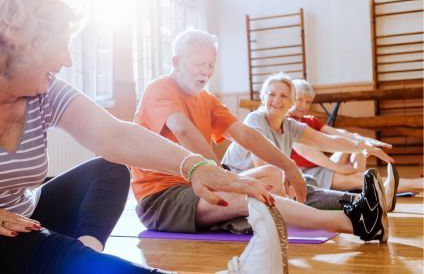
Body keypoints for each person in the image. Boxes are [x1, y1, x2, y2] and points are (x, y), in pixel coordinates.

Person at [0, 0, 275, 274]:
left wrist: (196, 166)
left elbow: (115, 135)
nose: (68, 60)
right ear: (23, 44)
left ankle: (85, 257)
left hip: (24, 213)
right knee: (38, 247)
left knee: (109, 170)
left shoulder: (44, 92)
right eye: (61, 46)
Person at [131, 29, 390, 264]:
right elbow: (183, 129)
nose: (206, 71)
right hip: (162, 199)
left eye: (211, 65)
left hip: (198, 188)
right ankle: (355, 223)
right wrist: (221, 177)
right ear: (176, 62)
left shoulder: (206, 100)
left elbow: (245, 134)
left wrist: (288, 166)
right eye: (199, 64)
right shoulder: (160, 90)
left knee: (271, 174)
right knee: (252, 195)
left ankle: (238, 218)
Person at [222, 72, 396, 213]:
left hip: (266, 181)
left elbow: (328, 141)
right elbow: (262, 163)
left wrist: (362, 148)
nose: (277, 100)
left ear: (290, 102)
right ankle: (369, 201)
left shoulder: (290, 125)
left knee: (307, 181)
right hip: (236, 181)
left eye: (283, 96)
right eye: (272, 94)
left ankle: (370, 201)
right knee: (287, 180)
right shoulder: (255, 119)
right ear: (263, 97)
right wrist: (289, 182)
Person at [288, 79, 423, 210]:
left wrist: (365, 141)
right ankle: (418, 184)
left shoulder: (310, 120)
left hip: (320, 167)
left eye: (308, 102)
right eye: (300, 99)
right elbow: (306, 151)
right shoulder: (288, 122)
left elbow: (339, 134)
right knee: (358, 173)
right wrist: (338, 167)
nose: (304, 106)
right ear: (291, 97)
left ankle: (358, 181)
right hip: (308, 175)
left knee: (353, 145)